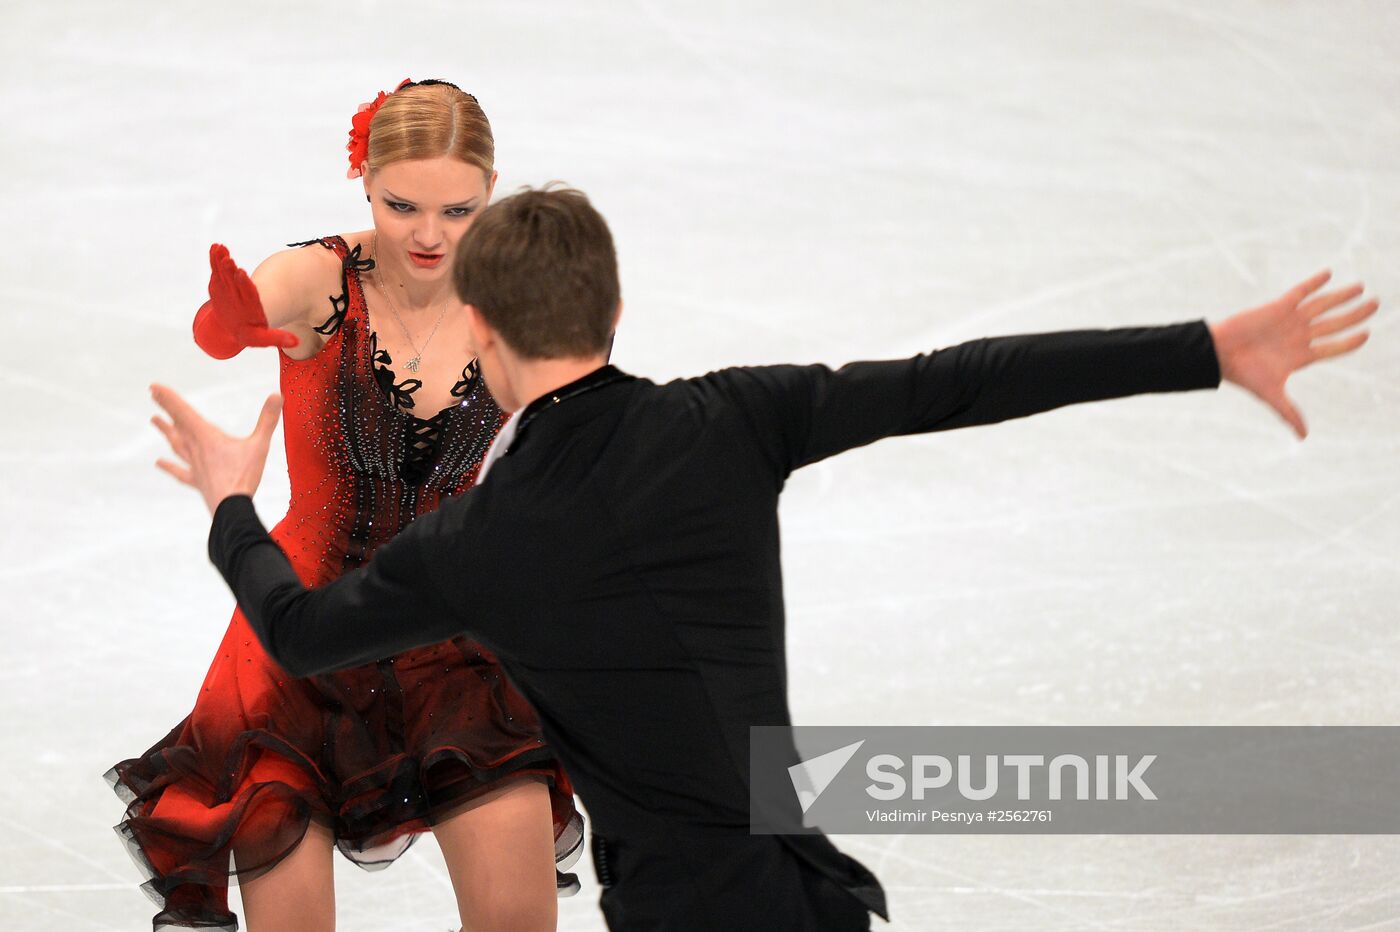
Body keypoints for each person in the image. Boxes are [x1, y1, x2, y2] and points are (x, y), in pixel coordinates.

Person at [146, 185, 1377, 930]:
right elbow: (963, 382)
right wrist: (1204, 347)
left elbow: (301, 631)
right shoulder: (732, 418)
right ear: (613, 311)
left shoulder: (478, 542)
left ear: (477, 326)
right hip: (808, 896)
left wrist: (230, 504)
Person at [107, 82, 583, 932]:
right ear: (364, 178)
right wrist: (233, 318)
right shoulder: (321, 278)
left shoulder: (515, 299)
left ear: (492, 189)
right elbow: (230, 328)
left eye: (460, 209)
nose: (430, 234)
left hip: (456, 640)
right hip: (302, 638)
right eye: (403, 205)